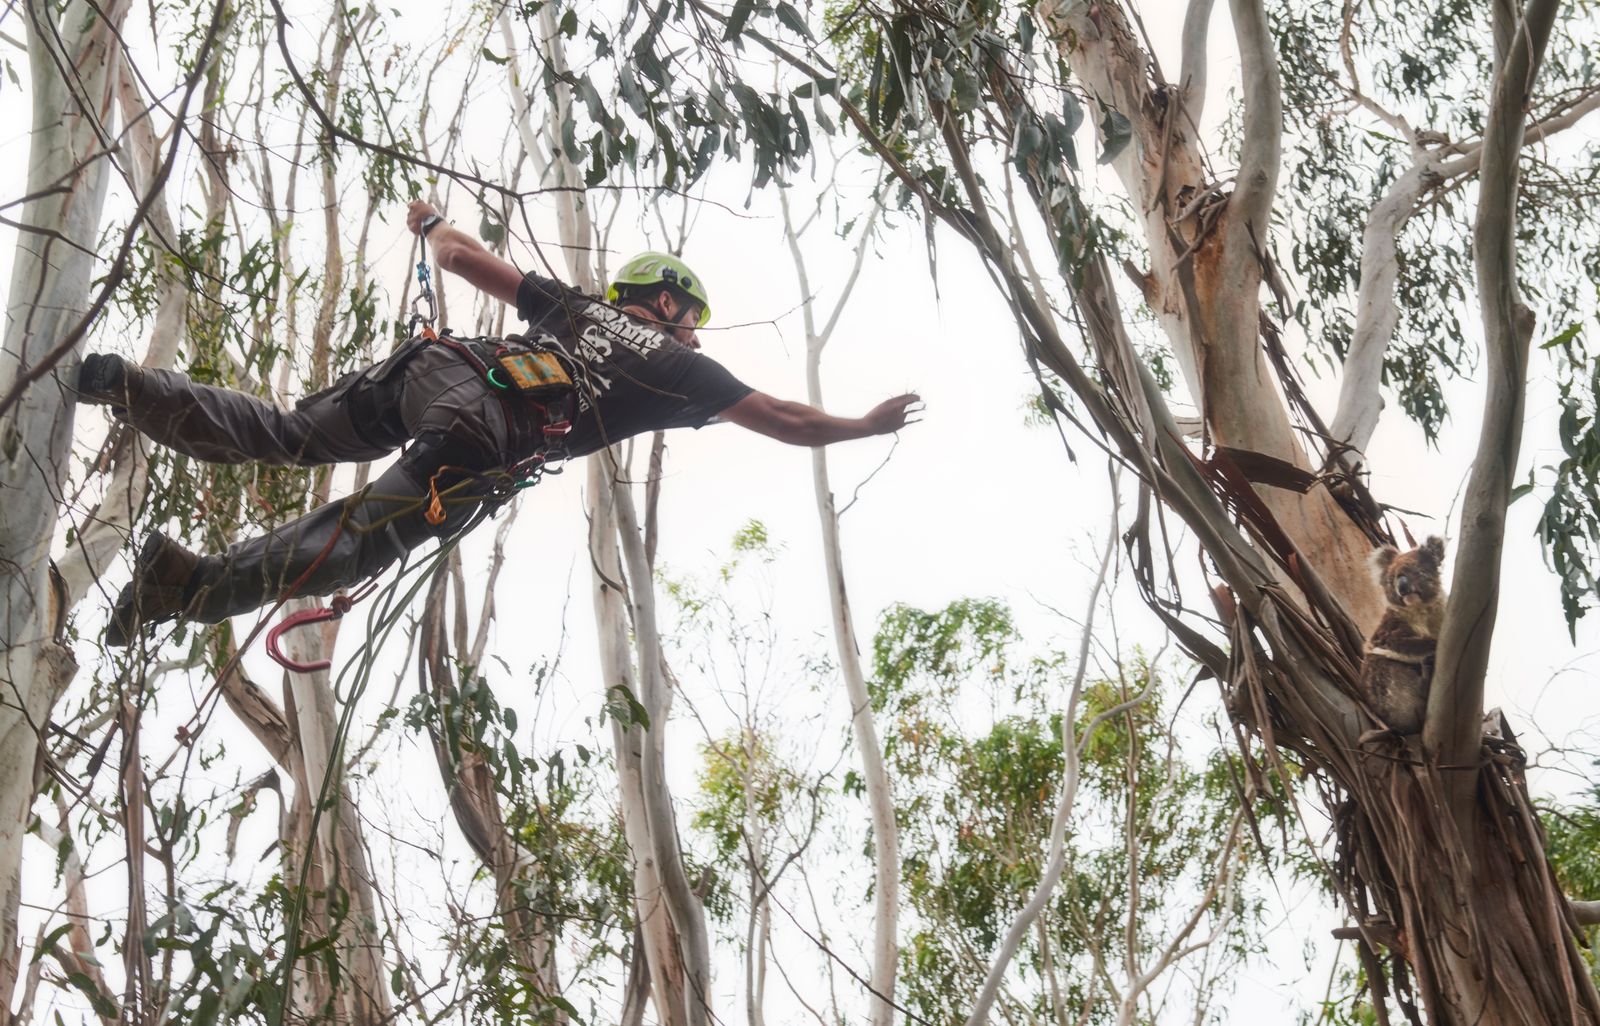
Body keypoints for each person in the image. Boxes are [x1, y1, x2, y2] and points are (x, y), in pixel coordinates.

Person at [76, 200, 920, 646]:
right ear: (666, 302)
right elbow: (779, 416)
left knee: (285, 432)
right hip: (484, 430)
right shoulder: (678, 368)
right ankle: (181, 585)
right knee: (354, 540)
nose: (696, 329)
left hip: (434, 368)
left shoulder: (578, 307)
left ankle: (128, 387)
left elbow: (459, 260)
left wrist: (432, 222)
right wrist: (862, 425)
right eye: (691, 313)